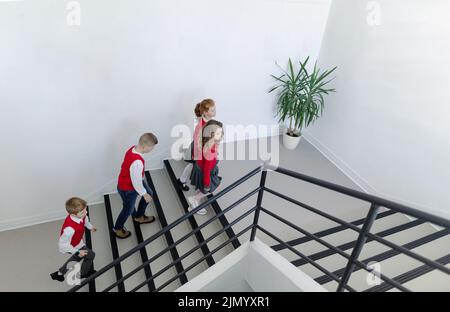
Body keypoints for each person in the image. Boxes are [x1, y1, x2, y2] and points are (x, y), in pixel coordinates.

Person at [113, 133, 158, 239]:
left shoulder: (133, 148)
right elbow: (135, 181)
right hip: (128, 188)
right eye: (152, 147)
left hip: (128, 182)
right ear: (145, 146)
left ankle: (139, 216)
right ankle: (117, 228)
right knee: (128, 209)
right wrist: (143, 193)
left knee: (150, 193)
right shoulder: (137, 162)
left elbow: (135, 177)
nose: (152, 149)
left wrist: (145, 191)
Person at [50, 197, 97, 282]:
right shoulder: (69, 229)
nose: (85, 212)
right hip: (71, 246)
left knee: (76, 258)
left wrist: (90, 227)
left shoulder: (81, 215)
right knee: (90, 255)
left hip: (78, 241)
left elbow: (85, 220)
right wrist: (77, 252)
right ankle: (84, 274)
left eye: (85, 209)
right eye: (82, 212)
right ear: (73, 214)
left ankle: (59, 274)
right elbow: (63, 245)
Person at [178, 99, 216, 191]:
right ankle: (189, 184)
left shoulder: (204, 121)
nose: (215, 111)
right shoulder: (204, 126)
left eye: (214, 109)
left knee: (192, 165)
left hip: (197, 148)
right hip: (199, 150)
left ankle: (182, 180)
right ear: (205, 112)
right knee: (195, 166)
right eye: (212, 110)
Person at [187, 120, 223, 215]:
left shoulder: (203, 140)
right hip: (205, 172)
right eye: (219, 133)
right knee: (212, 188)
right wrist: (207, 184)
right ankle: (194, 199)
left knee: (200, 186)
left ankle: (194, 205)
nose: (221, 134)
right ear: (211, 134)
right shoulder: (210, 151)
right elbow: (207, 170)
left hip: (198, 167)